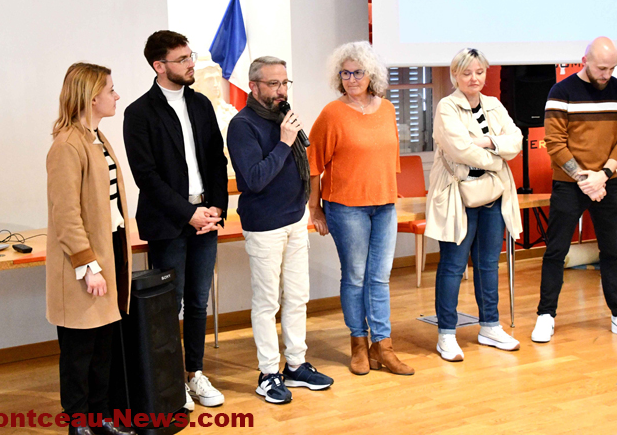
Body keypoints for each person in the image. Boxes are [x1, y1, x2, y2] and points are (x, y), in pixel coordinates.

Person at [123, 30, 229, 410]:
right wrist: (188, 214)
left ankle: (194, 372)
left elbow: (216, 160)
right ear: (159, 65)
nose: (190, 64)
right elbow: (146, 177)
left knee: (199, 301)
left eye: (190, 56)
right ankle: (169, 381)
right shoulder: (139, 113)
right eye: (182, 59)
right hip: (169, 222)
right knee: (169, 305)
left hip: (206, 217)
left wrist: (216, 208)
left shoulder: (200, 104)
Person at [226, 56, 334, 404]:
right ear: (253, 86)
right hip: (264, 226)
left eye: (285, 83)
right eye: (273, 84)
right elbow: (254, 180)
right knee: (267, 301)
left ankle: (296, 364)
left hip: (294, 219)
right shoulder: (242, 125)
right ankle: (268, 373)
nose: (281, 90)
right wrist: (285, 142)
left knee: (298, 296)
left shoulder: (283, 117)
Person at [531, 36, 617, 343]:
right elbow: (554, 142)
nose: (606, 74)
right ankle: (546, 316)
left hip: (605, 182)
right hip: (570, 184)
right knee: (556, 250)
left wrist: (604, 174)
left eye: (612, 68)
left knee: (612, 251)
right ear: (585, 60)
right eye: (601, 68)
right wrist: (585, 180)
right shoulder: (561, 92)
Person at [308, 41, 414, 376]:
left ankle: (383, 346)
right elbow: (313, 164)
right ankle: (358, 343)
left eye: (358, 73)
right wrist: (315, 208)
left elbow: (389, 156)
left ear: (372, 75)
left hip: (384, 205)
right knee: (355, 277)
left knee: (379, 278)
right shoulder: (332, 113)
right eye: (346, 73)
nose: (351, 79)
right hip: (346, 207)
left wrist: (388, 189)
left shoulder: (388, 109)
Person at [46, 63, 135, 435]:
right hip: (83, 261)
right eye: (111, 90)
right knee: (80, 352)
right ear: (91, 97)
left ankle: (101, 418)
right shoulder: (67, 145)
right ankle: (79, 425)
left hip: (109, 250)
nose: (117, 96)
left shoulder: (97, 137)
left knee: (103, 348)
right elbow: (66, 215)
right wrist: (89, 266)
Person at [425, 48, 523, 362]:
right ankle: (446, 333)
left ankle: (490, 326)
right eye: (467, 73)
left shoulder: (493, 104)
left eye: (479, 72)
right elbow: (459, 150)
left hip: (492, 195)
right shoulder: (447, 107)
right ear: (455, 75)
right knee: (453, 266)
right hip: (458, 196)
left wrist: (488, 141)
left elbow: (516, 141)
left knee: (488, 264)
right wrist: (497, 157)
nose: (474, 78)